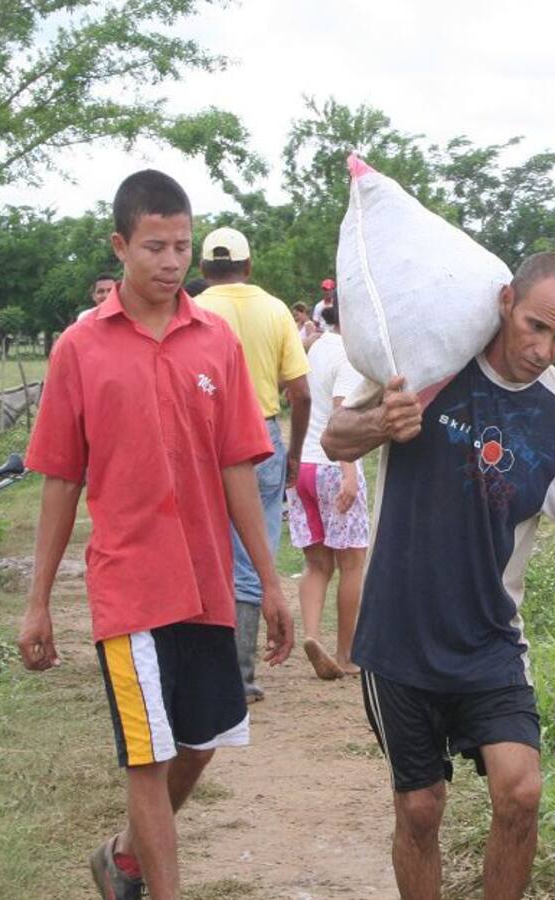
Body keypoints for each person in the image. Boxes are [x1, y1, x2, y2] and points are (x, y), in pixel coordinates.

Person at [17, 169, 295, 900]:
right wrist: (38, 601)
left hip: (205, 581)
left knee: (201, 743)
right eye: (155, 247)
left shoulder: (216, 342)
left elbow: (239, 464)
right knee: (147, 753)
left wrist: (269, 580)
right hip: (129, 586)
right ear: (121, 246)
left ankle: (125, 858)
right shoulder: (80, 350)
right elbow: (59, 481)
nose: (172, 262)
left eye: (182, 246)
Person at [323, 252, 555, 900]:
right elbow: (336, 439)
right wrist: (382, 423)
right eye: (536, 326)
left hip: (489, 638)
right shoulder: (434, 363)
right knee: (421, 807)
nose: (544, 350)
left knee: (522, 791)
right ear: (506, 301)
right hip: (398, 634)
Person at [195, 226, 312, 703]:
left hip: (202, 439)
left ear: (202, 269)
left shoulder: (195, 309)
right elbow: (300, 392)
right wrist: (295, 450)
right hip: (260, 436)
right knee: (252, 555)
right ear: (249, 266)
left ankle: (202, 666)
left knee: (204, 552)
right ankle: (238, 676)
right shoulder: (276, 310)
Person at [286, 303, 369, 679]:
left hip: (302, 465)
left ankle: (312, 636)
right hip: (333, 465)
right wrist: (350, 472)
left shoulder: (317, 347)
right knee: (352, 564)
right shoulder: (350, 358)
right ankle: (346, 653)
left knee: (317, 564)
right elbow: (341, 418)